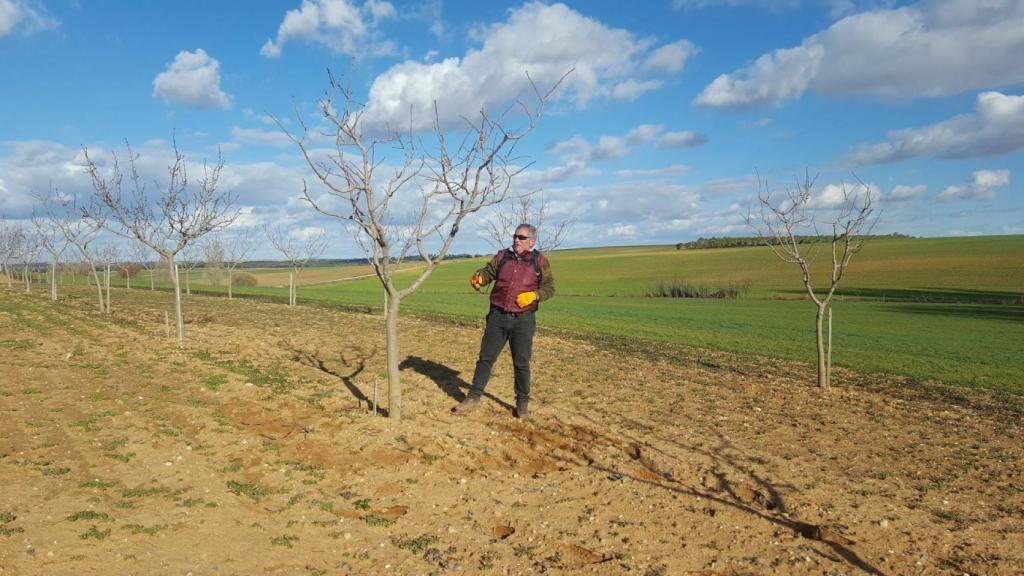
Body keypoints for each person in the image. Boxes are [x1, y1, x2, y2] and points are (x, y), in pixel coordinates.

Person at [453, 224, 555, 420]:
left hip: (523, 321)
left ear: (532, 241)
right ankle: (473, 397)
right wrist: (479, 278)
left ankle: (522, 404)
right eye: (515, 236)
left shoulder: (539, 261)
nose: (516, 239)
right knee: (485, 359)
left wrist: (534, 295)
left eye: (522, 237)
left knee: (521, 363)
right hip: (497, 317)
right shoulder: (502, 257)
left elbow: (550, 288)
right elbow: (488, 272)